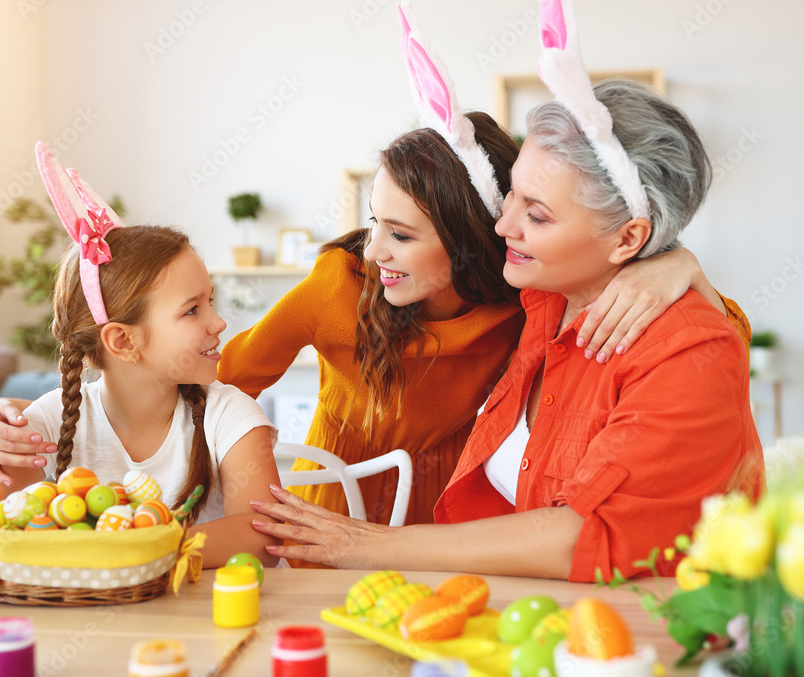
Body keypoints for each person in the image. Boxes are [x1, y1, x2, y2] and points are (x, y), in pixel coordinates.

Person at [247, 75, 764, 582]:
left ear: (628, 239)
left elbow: (586, 536)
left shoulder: (674, 342)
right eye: (510, 196)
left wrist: (362, 544)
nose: (502, 225)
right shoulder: (538, 296)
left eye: (536, 216)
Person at [0, 144, 280, 602]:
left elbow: (261, 535)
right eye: (192, 310)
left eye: (210, 301)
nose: (218, 322)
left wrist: (135, 547)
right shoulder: (49, 424)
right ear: (123, 342)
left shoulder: (230, 416)